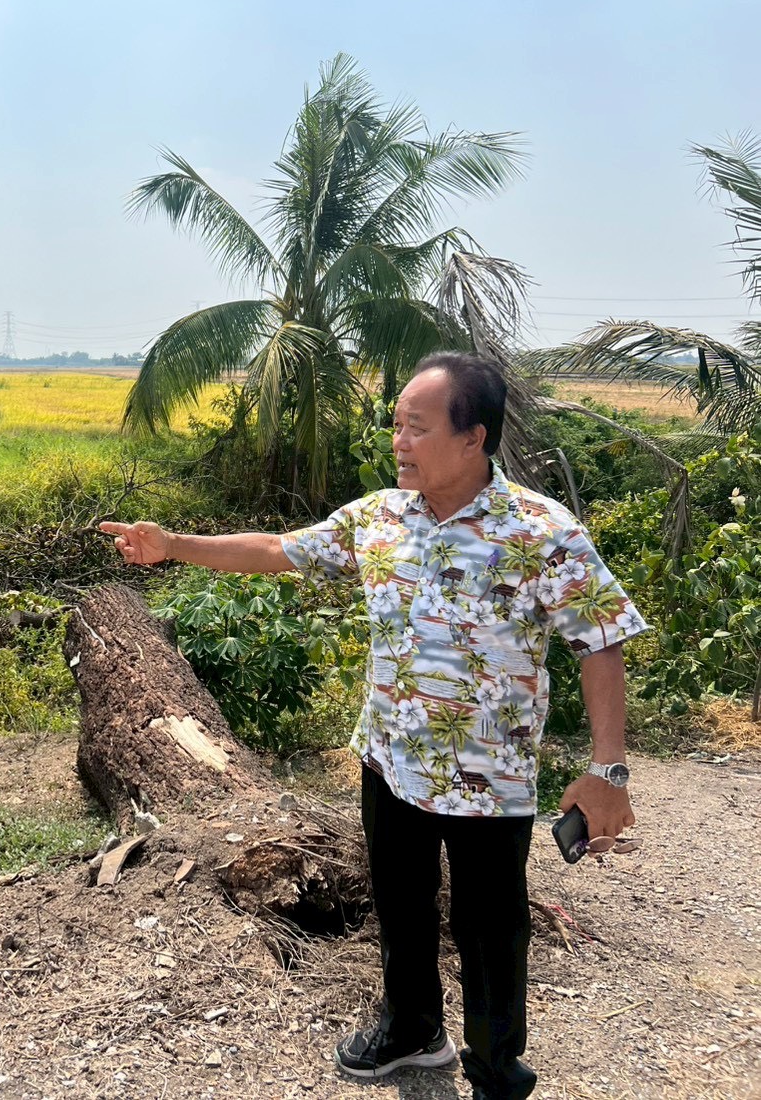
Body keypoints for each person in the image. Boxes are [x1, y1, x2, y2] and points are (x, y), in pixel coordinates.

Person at [99, 352, 644, 1100]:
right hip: (388, 760)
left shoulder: (540, 532)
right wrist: (173, 547)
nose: (398, 441)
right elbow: (277, 549)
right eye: (395, 424)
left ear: (472, 437)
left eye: (416, 427)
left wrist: (607, 769)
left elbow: (599, 641)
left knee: (490, 934)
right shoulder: (379, 517)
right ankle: (411, 1029)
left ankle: (493, 1071)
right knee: (400, 903)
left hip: (490, 779)